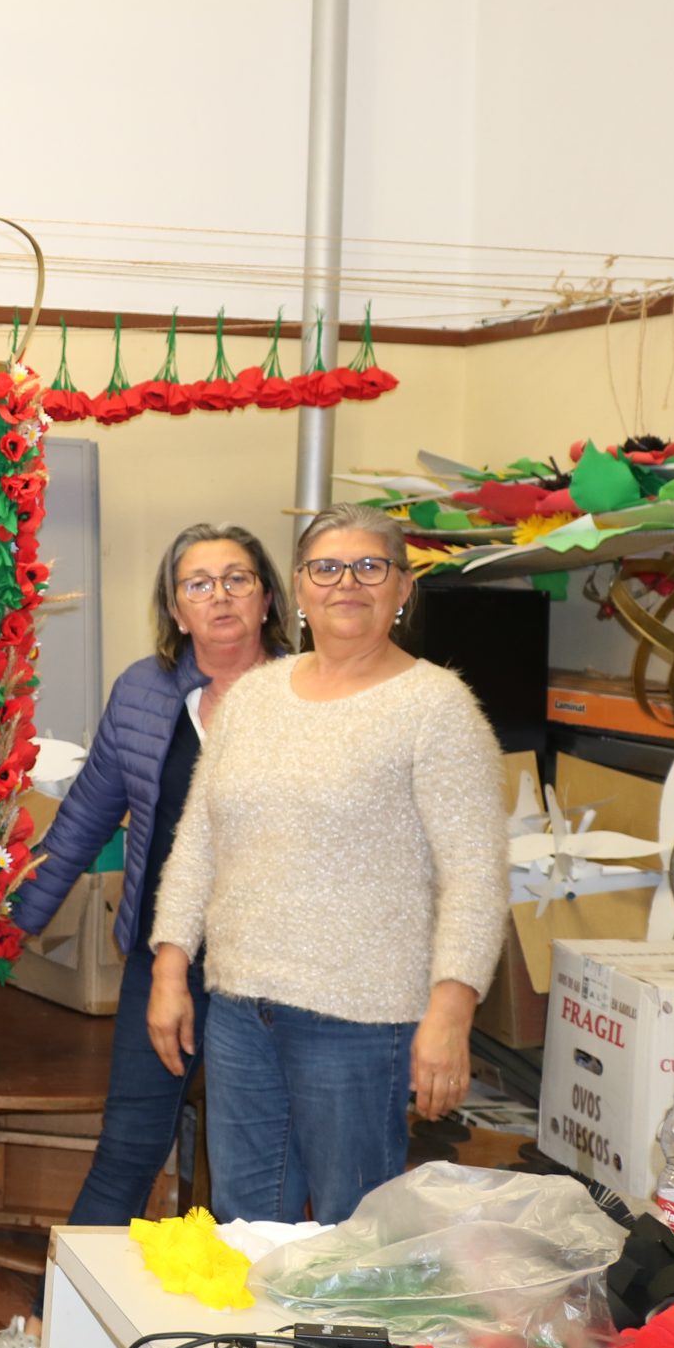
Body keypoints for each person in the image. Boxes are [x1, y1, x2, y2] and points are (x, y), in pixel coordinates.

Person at [147, 502, 506, 1224]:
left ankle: (346, 1315)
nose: (347, 583)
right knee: (245, 1227)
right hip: (241, 1010)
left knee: (354, 1232)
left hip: (361, 1024)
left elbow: (475, 874)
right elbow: (199, 842)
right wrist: (169, 967)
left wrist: (452, 1010)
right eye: (327, 568)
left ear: (402, 588)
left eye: (370, 566)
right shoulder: (253, 697)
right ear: (300, 588)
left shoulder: (436, 707)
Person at [13, 524, 292, 1226]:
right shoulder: (143, 690)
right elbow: (85, 817)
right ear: (175, 608)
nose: (219, 596)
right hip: (162, 958)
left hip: (276, 968)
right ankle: (70, 1298)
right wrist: (10, 927)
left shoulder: (309, 694)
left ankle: (245, 1296)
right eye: (198, 583)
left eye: (238, 579)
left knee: (263, 1167)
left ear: (266, 600)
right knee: (128, 1148)